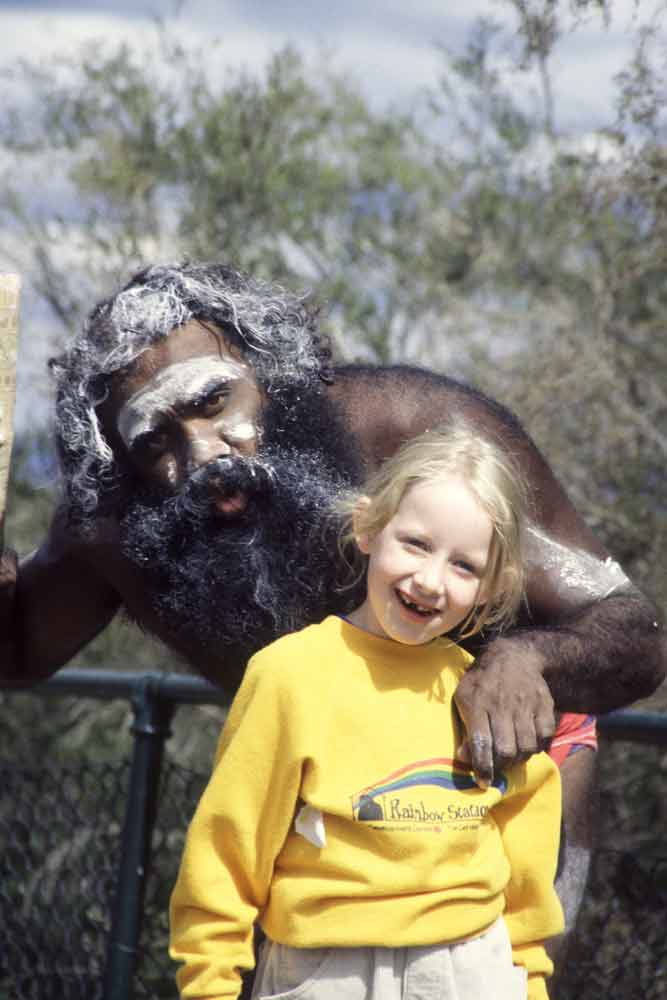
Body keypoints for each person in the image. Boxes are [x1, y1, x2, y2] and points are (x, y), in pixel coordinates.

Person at [0, 261, 663, 953]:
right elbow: (16, 652)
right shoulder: (116, 529)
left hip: (498, 788)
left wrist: (528, 658)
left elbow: (636, 635)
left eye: (213, 401)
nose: (204, 455)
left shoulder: (414, 434)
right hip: (319, 826)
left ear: (270, 370)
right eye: (156, 441)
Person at [169, 421, 564, 1000]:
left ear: (491, 586)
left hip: (474, 969)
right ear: (368, 528)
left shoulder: (483, 692)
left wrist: (529, 982)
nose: (430, 580)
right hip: (325, 973)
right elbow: (226, 854)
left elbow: (526, 866)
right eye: (417, 544)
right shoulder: (291, 676)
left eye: (464, 566)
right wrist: (209, 986)